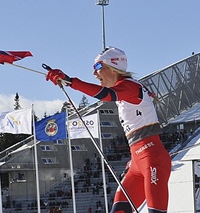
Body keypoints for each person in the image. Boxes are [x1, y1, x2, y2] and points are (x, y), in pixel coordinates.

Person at [46, 47, 172, 213]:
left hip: (152, 160)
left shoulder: (129, 86)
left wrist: (71, 81)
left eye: (98, 67)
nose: (94, 73)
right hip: (137, 163)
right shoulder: (126, 90)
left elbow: (105, 95)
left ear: (114, 68)